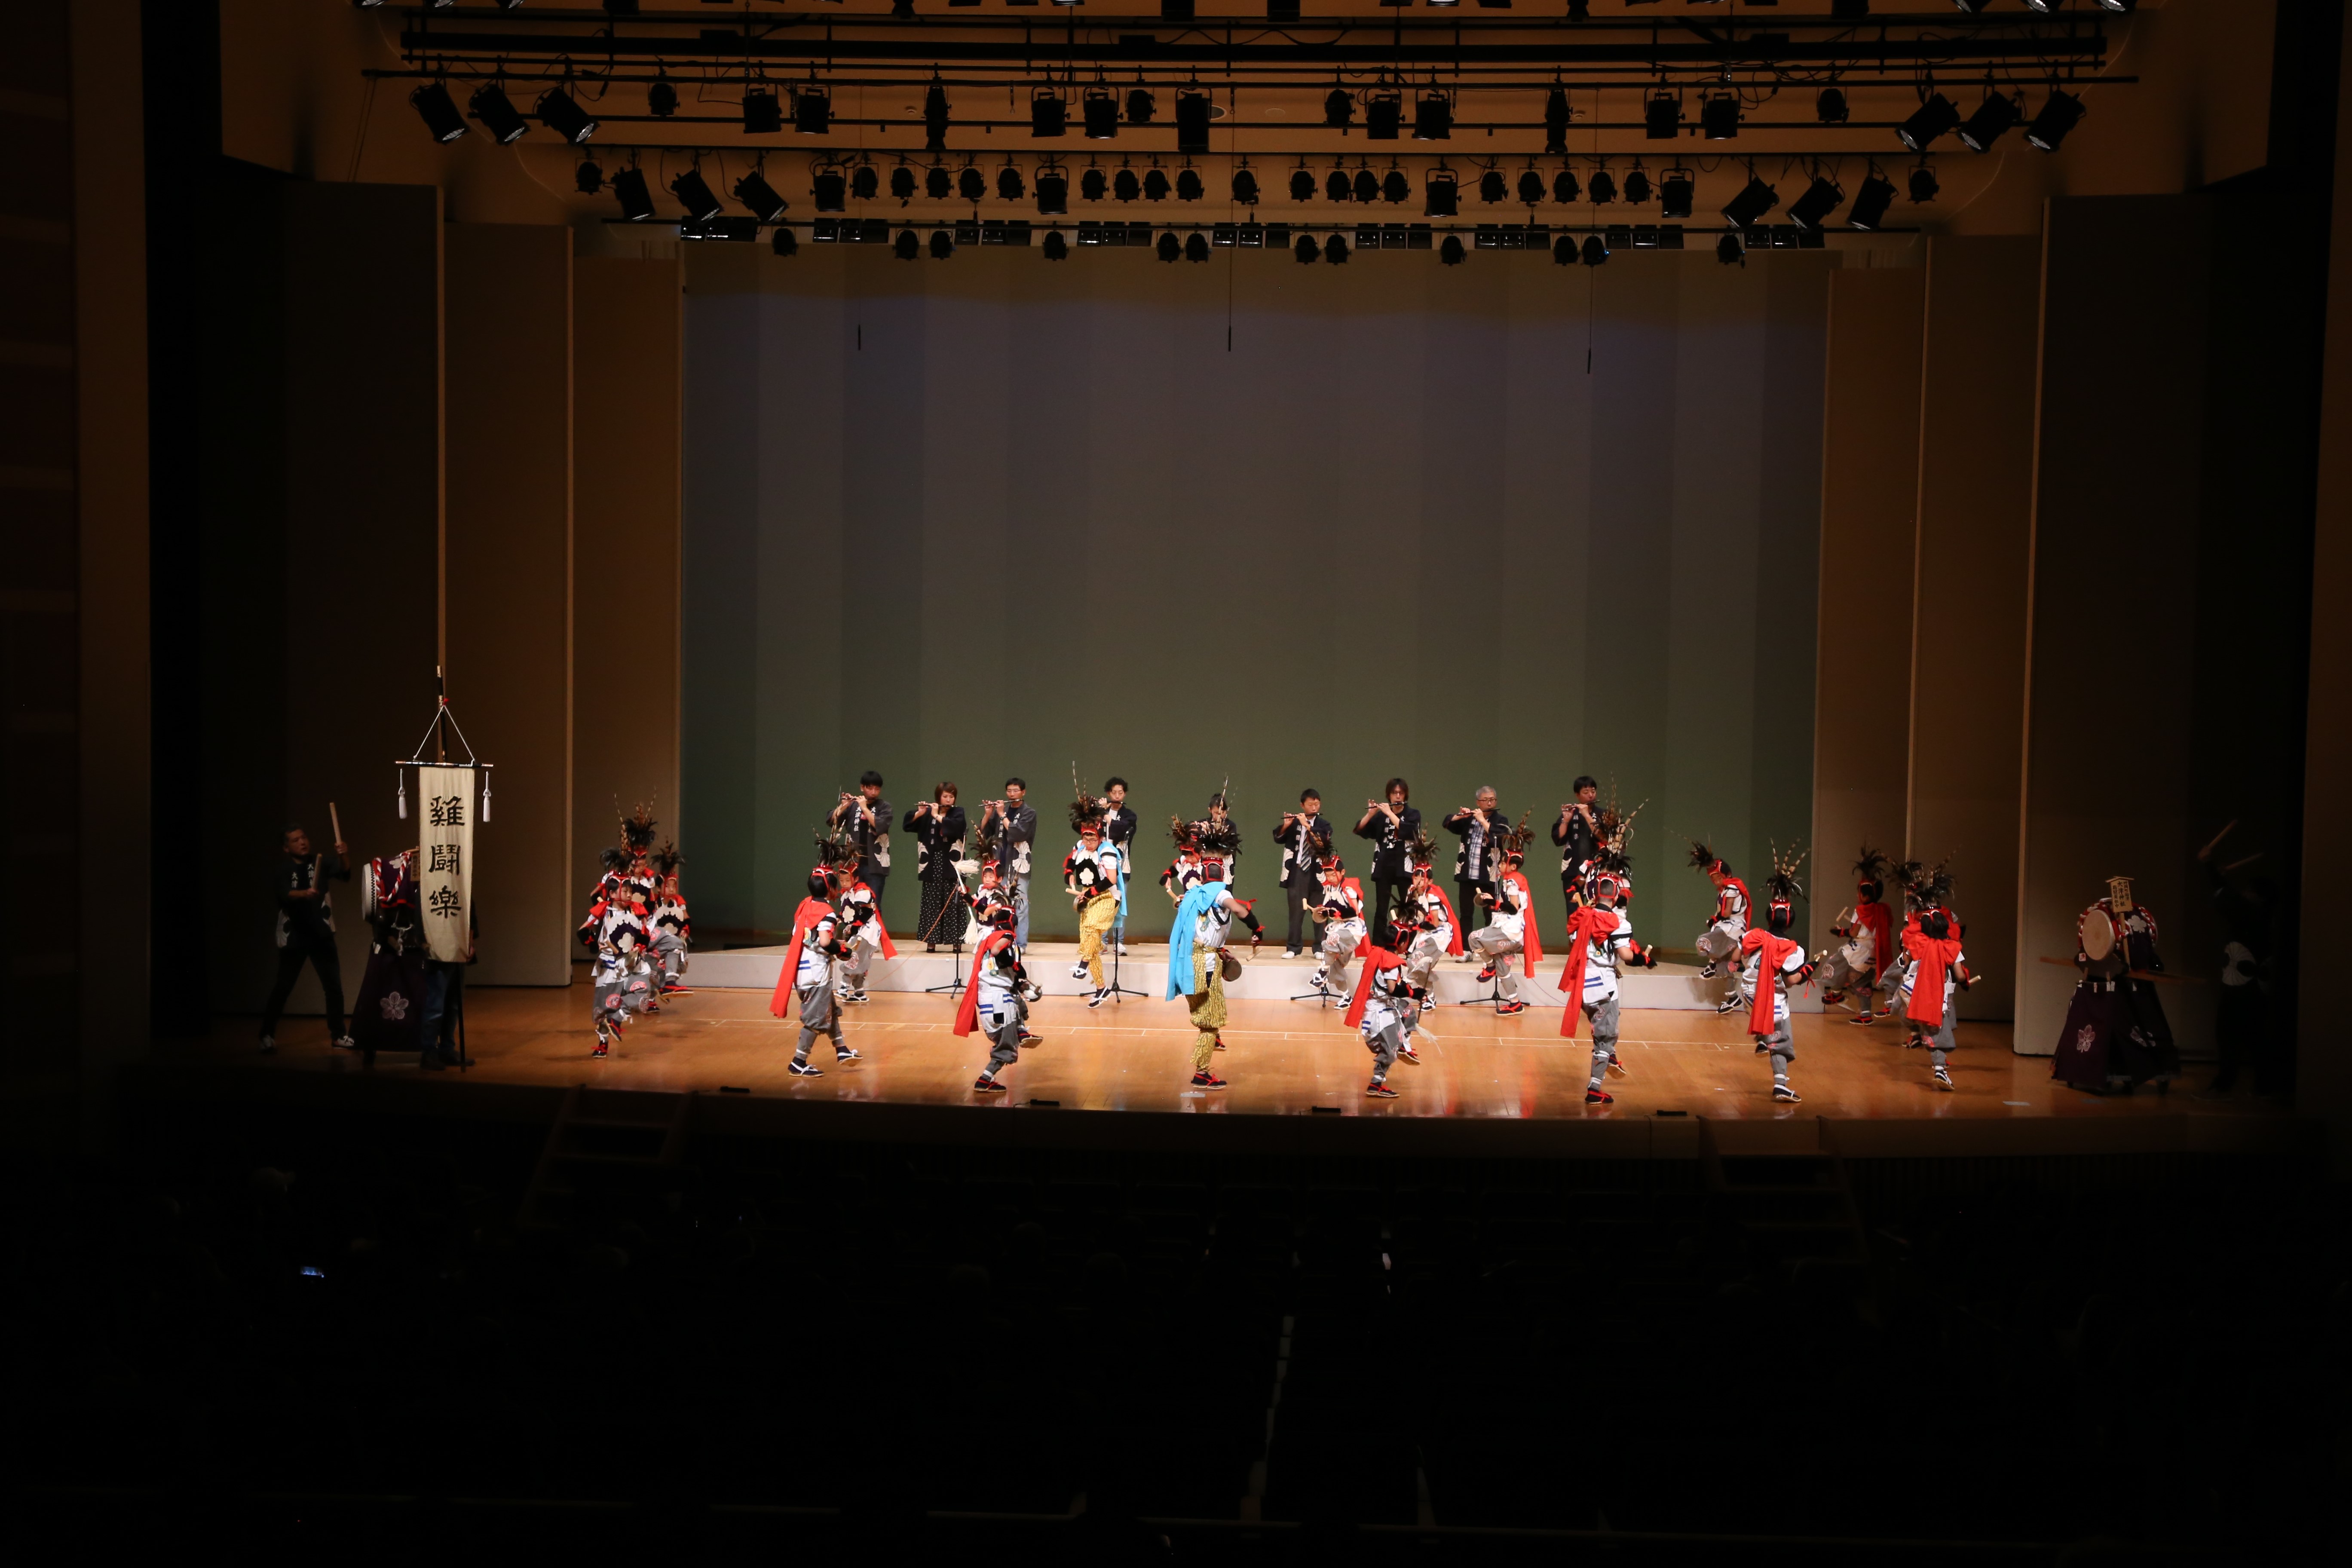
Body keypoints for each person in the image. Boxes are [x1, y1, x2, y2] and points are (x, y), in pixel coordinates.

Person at [2051, 874, 2178, 1093]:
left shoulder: (2135, 916)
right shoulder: (2099, 916)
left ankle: (2136, 1066)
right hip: (2102, 981)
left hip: (2124, 984)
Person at [1558, 868, 1657, 1104]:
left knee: (1605, 1023)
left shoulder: (1581, 916)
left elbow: (1576, 945)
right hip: (1604, 986)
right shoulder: (1618, 922)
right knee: (1606, 1035)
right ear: (1616, 896)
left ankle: (1610, 1057)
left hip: (1582, 983)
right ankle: (1595, 1089)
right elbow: (1626, 954)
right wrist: (1644, 960)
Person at [1166, 853, 1264, 1088]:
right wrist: (1257, 928)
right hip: (1207, 964)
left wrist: (1220, 949)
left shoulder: (1191, 895)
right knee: (1210, 1021)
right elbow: (1240, 911)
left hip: (1191, 961)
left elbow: (1201, 931)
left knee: (1208, 1013)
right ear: (1223, 875)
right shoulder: (1221, 893)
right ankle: (1202, 1073)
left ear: (1202, 875)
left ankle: (1213, 1040)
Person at [260, 824, 355, 1054]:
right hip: (296, 936)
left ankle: (339, 1035)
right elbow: (285, 894)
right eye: (295, 840)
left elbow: (344, 872)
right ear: (286, 847)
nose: (302, 842)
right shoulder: (284, 870)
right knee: (283, 987)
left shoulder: (320, 862)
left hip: (321, 934)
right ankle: (266, 1034)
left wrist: (344, 855)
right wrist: (305, 893)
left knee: (334, 987)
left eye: (303, 838)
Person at [769, 863, 862, 1078]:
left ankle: (842, 1050)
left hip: (802, 969)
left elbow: (810, 939)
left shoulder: (805, 906)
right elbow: (825, 941)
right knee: (816, 1019)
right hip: (816, 974)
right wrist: (842, 951)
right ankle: (798, 1062)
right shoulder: (827, 913)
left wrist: (833, 945)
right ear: (830, 888)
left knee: (829, 1010)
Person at [1738, 861, 1814, 1104]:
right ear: (1790, 922)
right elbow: (1791, 980)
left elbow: (1736, 957)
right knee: (1781, 1041)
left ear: (1769, 916)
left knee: (1768, 1027)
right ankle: (1780, 1085)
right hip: (1771, 1000)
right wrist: (1811, 968)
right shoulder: (1792, 950)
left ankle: (1763, 1038)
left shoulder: (1755, 935)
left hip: (1749, 993)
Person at [351, 846, 424, 1063]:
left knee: (411, 996)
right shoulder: (385, 885)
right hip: (389, 949)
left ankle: (417, 1043)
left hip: (403, 949)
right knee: (377, 998)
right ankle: (371, 1045)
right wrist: (394, 942)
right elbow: (381, 924)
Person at [958, 900, 1032, 1094]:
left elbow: (996, 967)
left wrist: (1019, 981)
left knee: (1017, 1001)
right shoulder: (1005, 936)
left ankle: (1022, 1031)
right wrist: (1017, 968)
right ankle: (985, 1079)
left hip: (989, 1002)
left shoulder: (987, 940)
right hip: (1000, 1002)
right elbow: (997, 950)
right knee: (1007, 1046)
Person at [1816, 847, 1895, 1023]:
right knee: (1858, 981)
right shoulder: (1884, 909)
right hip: (1873, 952)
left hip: (1859, 949)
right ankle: (1866, 1015)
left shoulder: (1861, 911)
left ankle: (1836, 994)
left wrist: (1841, 932)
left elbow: (1854, 932)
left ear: (1864, 894)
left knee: (1834, 963)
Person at [1897, 910, 1974, 1090]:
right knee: (1937, 1032)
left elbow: (1905, 962)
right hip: (1937, 999)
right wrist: (1965, 982)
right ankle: (1940, 1070)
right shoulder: (1952, 947)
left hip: (1914, 995)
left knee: (1906, 1013)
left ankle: (1916, 1032)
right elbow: (1960, 975)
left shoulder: (1918, 943)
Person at [586, 873, 655, 1059]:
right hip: (609, 965)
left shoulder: (636, 911)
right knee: (603, 1007)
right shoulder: (603, 912)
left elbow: (644, 934)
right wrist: (594, 945)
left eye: (631, 891)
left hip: (632, 962)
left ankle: (617, 1016)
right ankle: (603, 1043)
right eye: (625, 891)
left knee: (643, 990)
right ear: (612, 893)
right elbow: (584, 932)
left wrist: (640, 946)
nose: (629, 895)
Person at [1065, 800, 1124, 1007]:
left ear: (1099, 837)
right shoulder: (1079, 847)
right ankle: (1101, 988)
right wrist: (1069, 877)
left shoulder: (1107, 851)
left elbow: (1111, 880)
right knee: (1091, 941)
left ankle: (1082, 964)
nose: (1089, 841)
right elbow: (1070, 863)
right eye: (1086, 837)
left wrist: (1090, 893)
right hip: (1088, 895)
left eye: (1092, 838)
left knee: (1091, 928)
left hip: (1108, 897)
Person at [1468, 834, 1534, 1016]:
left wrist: (1493, 904)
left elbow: (1513, 909)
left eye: (1504, 862)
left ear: (1512, 866)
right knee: (1503, 970)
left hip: (1510, 931)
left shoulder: (1513, 881)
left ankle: (1489, 966)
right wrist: (1492, 901)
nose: (1500, 864)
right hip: (1512, 931)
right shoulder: (1511, 879)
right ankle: (1515, 1004)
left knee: (1474, 938)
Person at [1354, 778, 1422, 946]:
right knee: (1382, 907)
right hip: (1384, 865)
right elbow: (1360, 830)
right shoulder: (1381, 817)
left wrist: (1390, 814)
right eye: (1394, 793)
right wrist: (1370, 814)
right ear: (1389, 795)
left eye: (1401, 793)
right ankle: (1378, 944)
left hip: (1404, 865)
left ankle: (1408, 944)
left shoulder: (1413, 814)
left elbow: (1409, 831)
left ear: (1405, 794)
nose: (1398, 796)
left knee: (1408, 907)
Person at [904, 784, 971, 952]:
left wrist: (937, 816)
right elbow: (908, 826)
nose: (949, 800)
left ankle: (956, 941)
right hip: (932, 863)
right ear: (938, 797)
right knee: (931, 902)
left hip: (952, 864)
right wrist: (920, 813)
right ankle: (931, 942)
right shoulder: (927, 813)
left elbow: (957, 828)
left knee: (954, 903)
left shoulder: (958, 812)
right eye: (945, 797)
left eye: (951, 797)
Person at [1343, 940, 1413, 1099]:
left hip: (1377, 1007)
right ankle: (1376, 1084)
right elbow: (1392, 989)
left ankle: (1402, 1044)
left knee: (1409, 1011)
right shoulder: (1391, 963)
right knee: (1389, 1052)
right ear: (1401, 944)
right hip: (1380, 1014)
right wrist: (1412, 992)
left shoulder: (1379, 955)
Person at [1688, 842, 1752, 1013]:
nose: (1716, 881)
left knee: (1703, 941)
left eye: (1719, 877)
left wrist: (1717, 918)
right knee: (1725, 968)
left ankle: (1712, 964)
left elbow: (1728, 912)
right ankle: (1733, 998)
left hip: (1733, 929)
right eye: (1714, 879)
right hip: (1728, 927)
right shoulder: (1724, 890)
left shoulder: (1732, 888)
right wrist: (1716, 919)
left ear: (1727, 875)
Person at [1442, 786, 1507, 944]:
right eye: (1486, 800)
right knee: (1466, 913)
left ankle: (1490, 946)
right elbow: (1447, 823)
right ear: (1478, 802)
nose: (1490, 803)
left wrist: (1483, 821)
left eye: (1492, 800)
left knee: (1490, 913)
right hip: (1467, 874)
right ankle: (1466, 949)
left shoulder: (1501, 820)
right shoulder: (1469, 819)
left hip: (1488, 874)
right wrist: (1460, 816)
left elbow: (1498, 838)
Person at [979, 779, 1038, 948]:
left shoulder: (1029, 813)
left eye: (1016, 791)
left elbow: (1018, 834)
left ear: (1023, 792)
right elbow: (983, 833)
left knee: (1020, 904)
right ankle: (1003, 940)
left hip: (1019, 866)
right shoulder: (1000, 812)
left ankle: (1020, 944)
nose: (1012, 794)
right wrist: (989, 814)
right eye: (1009, 791)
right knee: (1000, 904)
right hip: (1000, 866)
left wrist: (1002, 815)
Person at [1273, 790, 1332, 957]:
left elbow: (1324, 842)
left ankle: (1320, 947)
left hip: (1318, 873)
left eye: (1317, 804)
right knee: (1296, 912)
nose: (1314, 807)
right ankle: (1293, 948)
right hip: (1298, 871)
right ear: (1302, 806)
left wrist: (1308, 826)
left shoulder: (1324, 825)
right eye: (1310, 804)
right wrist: (1287, 824)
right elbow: (1278, 838)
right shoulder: (1294, 822)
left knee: (1320, 910)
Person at [834, 855, 897, 1005]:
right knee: (861, 962)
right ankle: (859, 993)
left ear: (855, 879)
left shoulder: (863, 892)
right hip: (857, 930)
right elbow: (847, 913)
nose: (844, 883)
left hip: (867, 931)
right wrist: (838, 919)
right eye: (841, 881)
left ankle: (844, 988)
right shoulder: (847, 894)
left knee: (854, 958)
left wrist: (856, 926)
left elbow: (868, 912)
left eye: (847, 880)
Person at [828, 772, 894, 906]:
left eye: (877, 789)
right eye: (870, 788)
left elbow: (879, 826)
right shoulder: (853, 805)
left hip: (875, 865)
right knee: (851, 904)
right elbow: (832, 822)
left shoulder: (885, 807)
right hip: (853, 864)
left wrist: (864, 807)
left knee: (874, 905)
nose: (874, 792)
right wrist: (843, 806)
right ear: (862, 788)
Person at [1308, 851, 1367, 1003]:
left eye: (1333, 875)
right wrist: (1322, 911)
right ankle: (1346, 997)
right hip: (1339, 928)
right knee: (1336, 965)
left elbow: (1355, 911)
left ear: (1342, 872)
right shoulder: (1329, 889)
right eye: (1328, 876)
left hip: (1353, 930)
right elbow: (1328, 911)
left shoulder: (1349, 888)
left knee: (1332, 940)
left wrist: (1337, 912)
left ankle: (1322, 972)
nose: (1331, 879)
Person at [1551, 776, 1602, 926]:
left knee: (1598, 909)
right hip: (1572, 870)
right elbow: (1558, 839)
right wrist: (1566, 820)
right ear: (1577, 795)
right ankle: (1575, 946)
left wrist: (1586, 815)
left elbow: (1603, 837)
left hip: (1597, 869)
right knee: (1573, 911)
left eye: (1593, 791)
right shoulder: (1571, 813)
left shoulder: (1602, 814)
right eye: (1586, 792)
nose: (1591, 795)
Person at [1100, 778, 1138, 955]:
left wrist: (1107, 816)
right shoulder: (1098, 813)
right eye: (1114, 793)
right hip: (1100, 865)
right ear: (1108, 793)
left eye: (1120, 793)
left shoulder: (1130, 815)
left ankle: (1119, 942)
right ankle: (1101, 941)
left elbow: (1119, 831)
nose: (1117, 796)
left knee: (1119, 903)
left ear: (1125, 794)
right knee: (1100, 903)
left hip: (1121, 865)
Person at [649, 843, 691, 996]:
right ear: (659, 888)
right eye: (668, 886)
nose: (672, 890)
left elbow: (685, 919)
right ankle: (651, 998)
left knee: (675, 948)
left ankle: (670, 983)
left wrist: (685, 930)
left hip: (670, 939)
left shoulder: (679, 901)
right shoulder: (652, 901)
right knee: (653, 968)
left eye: (674, 886)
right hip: (653, 939)